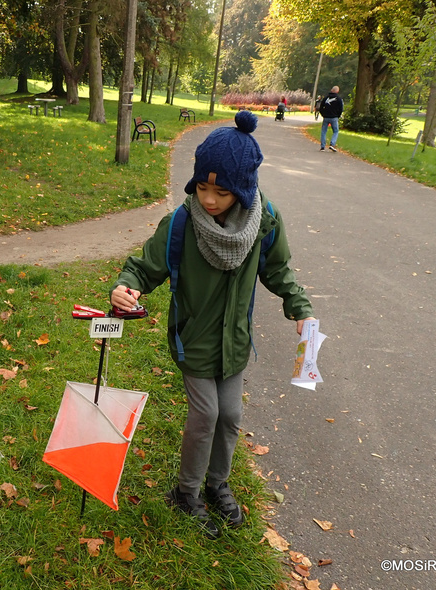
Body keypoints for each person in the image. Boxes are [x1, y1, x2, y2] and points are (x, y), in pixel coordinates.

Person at [110, 111, 314, 539]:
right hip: (195, 341)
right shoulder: (181, 225)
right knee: (206, 415)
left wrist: (300, 307)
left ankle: (217, 484)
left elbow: (278, 271)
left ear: (243, 190)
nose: (208, 199)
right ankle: (186, 493)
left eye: (221, 192)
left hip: (235, 342)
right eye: (202, 187)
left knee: (231, 415)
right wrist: (126, 287)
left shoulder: (265, 223)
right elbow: (144, 267)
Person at [319, 86, 344, 151]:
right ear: (337, 91)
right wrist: (337, 116)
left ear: (331, 90)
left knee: (324, 131)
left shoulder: (326, 98)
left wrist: (323, 114)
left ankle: (322, 146)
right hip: (334, 117)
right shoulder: (338, 99)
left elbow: (321, 107)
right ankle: (332, 144)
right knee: (336, 131)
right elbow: (341, 109)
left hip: (326, 117)